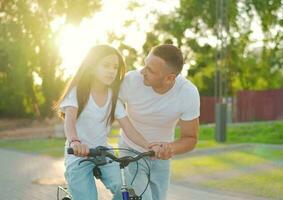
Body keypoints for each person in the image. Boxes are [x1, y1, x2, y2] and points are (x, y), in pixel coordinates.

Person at [55, 45, 151, 200]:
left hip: (104, 152)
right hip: (78, 154)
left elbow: (129, 129)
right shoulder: (78, 92)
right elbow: (70, 122)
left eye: (115, 67)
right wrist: (75, 142)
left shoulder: (113, 97)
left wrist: (149, 146)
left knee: (125, 189)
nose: (112, 71)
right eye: (106, 65)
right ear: (92, 67)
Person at [116, 44, 200, 200]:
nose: (142, 72)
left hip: (161, 157)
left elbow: (191, 138)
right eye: (145, 65)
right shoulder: (131, 81)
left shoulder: (188, 93)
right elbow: (109, 103)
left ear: (170, 78)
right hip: (131, 150)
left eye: (150, 70)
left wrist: (170, 148)